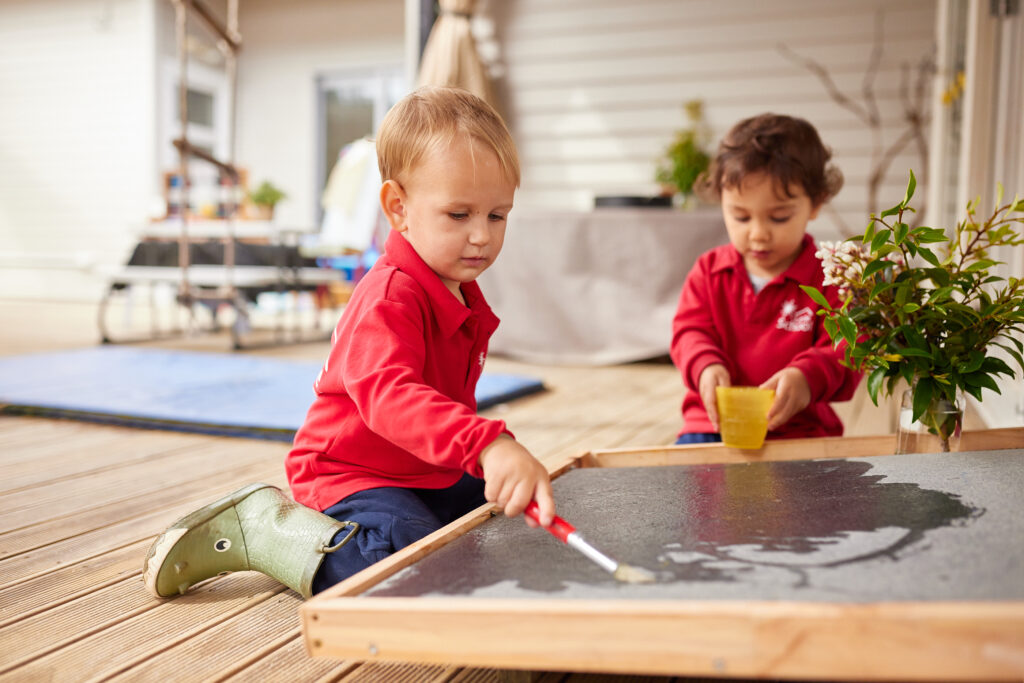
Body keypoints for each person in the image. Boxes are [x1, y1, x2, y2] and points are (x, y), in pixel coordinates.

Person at [143, 86, 556, 600]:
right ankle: (266, 530)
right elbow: (391, 397)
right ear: (398, 207)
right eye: (459, 215)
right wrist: (485, 443)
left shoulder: (460, 289)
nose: (482, 236)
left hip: (422, 469)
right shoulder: (389, 296)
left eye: (497, 216)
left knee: (519, 510)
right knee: (408, 567)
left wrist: (497, 456)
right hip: (351, 472)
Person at [671, 113, 861, 444]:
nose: (758, 234)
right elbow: (689, 331)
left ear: (815, 204)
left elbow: (846, 347)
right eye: (740, 216)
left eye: (779, 217)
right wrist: (704, 365)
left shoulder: (830, 276)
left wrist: (806, 378)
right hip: (711, 426)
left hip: (800, 430)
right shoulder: (709, 271)